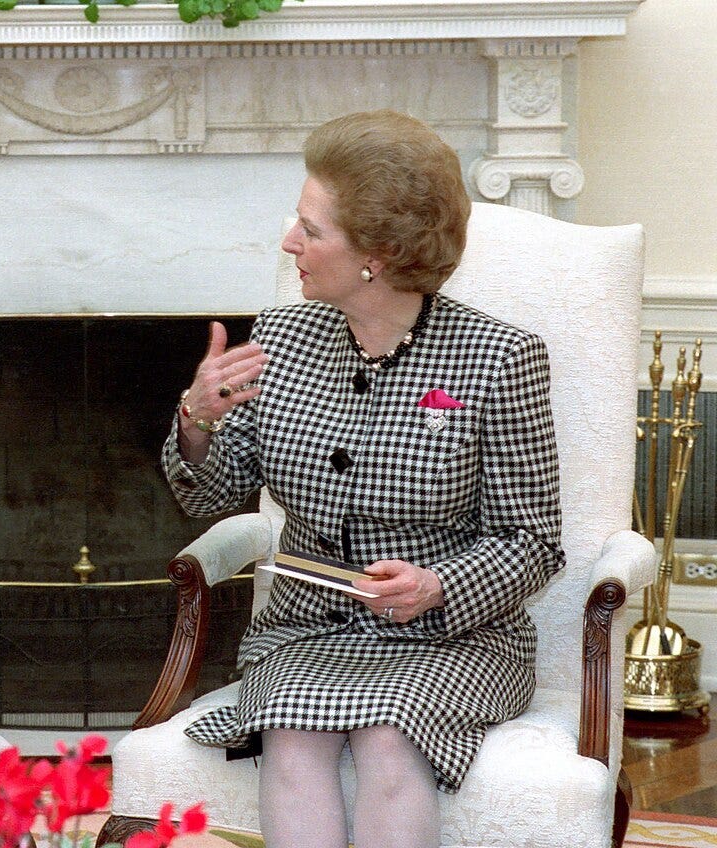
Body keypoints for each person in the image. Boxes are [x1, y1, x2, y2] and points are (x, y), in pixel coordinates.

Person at [162, 111, 564, 848]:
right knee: (292, 736)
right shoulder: (282, 336)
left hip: (454, 636)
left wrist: (435, 585)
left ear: (379, 253)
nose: (290, 242)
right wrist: (197, 419)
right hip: (306, 629)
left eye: (311, 230)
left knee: (388, 738)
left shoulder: (498, 358)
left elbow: (532, 542)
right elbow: (212, 494)